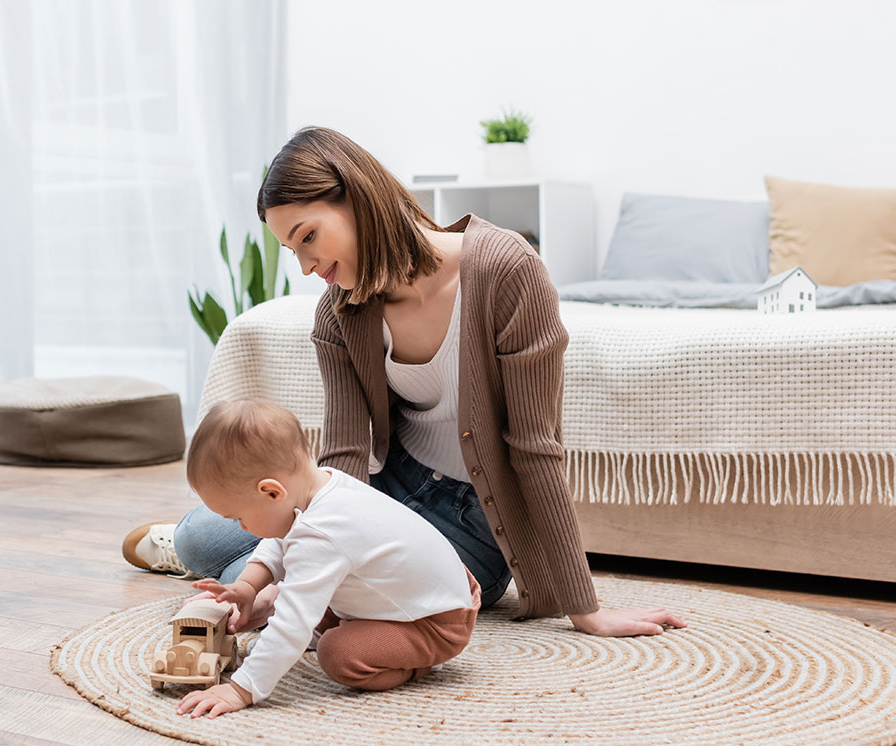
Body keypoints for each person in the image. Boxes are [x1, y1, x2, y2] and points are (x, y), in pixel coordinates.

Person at [125, 126, 686, 637]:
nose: (305, 265)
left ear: (357, 197)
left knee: (247, 572)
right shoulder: (338, 312)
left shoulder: (508, 272)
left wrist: (583, 607)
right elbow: (345, 455)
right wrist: (283, 577)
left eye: (308, 236)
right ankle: (221, 558)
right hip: (385, 486)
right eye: (292, 249)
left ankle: (255, 574)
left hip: (473, 519)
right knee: (206, 541)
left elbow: (535, 448)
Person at [175, 399, 481, 719]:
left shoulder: (323, 531)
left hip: (433, 621)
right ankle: (343, 624)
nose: (242, 528)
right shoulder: (322, 483)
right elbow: (280, 540)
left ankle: (417, 665)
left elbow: (293, 621)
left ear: (271, 492)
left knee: (338, 654)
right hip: (422, 592)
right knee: (296, 597)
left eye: (239, 518)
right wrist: (248, 586)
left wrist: (242, 688)